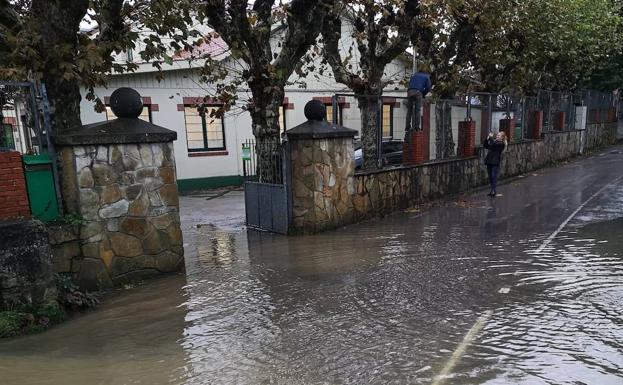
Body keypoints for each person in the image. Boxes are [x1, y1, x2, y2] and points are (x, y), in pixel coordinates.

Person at [405, 67, 432, 135]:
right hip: (418, 92)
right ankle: (417, 127)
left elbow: (410, 84)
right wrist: (423, 94)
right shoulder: (426, 76)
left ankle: (407, 127)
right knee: (417, 110)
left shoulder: (414, 75)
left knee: (409, 111)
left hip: (410, 91)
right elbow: (428, 87)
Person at [483, 131, 507, 197]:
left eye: (499, 135)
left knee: (493, 176)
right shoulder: (495, 142)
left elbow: (494, 144)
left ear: (502, 137)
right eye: (497, 135)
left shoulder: (502, 144)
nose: (497, 136)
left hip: (495, 161)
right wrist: (487, 139)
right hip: (489, 160)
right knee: (490, 176)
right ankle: (492, 190)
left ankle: (493, 190)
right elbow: (486, 146)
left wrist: (491, 137)